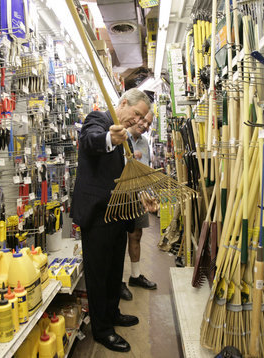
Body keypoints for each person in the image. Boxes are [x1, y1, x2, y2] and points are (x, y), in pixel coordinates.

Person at [71, 88, 151, 352]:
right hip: (97, 215)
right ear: (124, 103)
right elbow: (91, 140)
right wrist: (109, 138)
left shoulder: (127, 139)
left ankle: (112, 313)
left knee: (115, 270)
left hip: (117, 214)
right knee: (99, 273)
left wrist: (141, 195)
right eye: (136, 114)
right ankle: (102, 329)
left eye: (142, 118)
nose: (137, 120)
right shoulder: (99, 120)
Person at [120, 110, 157, 302]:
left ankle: (135, 276)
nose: (145, 125)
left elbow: (146, 169)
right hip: (120, 196)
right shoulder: (121, 136)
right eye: (143, 120)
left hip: (140, 195)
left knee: (136, 234)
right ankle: (117, 282)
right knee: (117, 240)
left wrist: (149, 194)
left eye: (149, 123)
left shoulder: (144, 142)